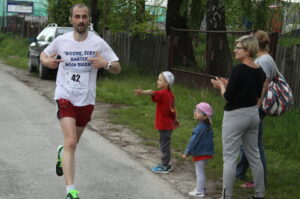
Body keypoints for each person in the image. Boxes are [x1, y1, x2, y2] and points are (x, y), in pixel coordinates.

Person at [40, 3, 121, 199]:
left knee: (72, 142)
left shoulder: (98, 43)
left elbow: (117, 67)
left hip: (86, 99)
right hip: (65, 95)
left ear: (89, 20)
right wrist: (46, 62)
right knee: (71, 142)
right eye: (77, 16)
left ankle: (62, 154)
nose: (81, 20)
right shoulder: (62, 40)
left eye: (84, 17)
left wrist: (106, 64)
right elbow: (44, 54)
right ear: (71, 20)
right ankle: (71, 191)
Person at [211, 35, 266, 199]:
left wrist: (221, 85)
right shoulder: (260, 71)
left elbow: (228, 97)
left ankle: (226, 196)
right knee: (254, 156)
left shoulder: (238, 69)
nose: (235, 50)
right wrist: (228, 84)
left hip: (235, 116)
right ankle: (259, 194)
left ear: (248, 51)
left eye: (238, 47)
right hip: (252, 115)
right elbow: (253, 94)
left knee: (229, 157)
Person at [236, 30, 277, 188]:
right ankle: (240, 171)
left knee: (255, 143)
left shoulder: (264, 60)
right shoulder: (264, 58)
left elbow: (263, 85)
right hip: (257, 105)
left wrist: (256, 106)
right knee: (248, 141)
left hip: (258, 105)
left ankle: (260, 181)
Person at [134, 71, 178, 174]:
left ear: (166, 83)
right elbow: (173, 108)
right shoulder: (170, 94)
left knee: (164, 145)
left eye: (160, 79)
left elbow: (152, 92)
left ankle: (165, 166)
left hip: (164, 125)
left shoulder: (163, 93)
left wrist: (142, 92)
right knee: (165, 144)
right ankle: (165, 163)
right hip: (168, 124)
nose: (157, 81)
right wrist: (175, 119)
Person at [182, 102, 214, 198]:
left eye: (198, 111)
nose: (195, 113)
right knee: (200, 171)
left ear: (205, 116)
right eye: (195, 110)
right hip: (205, 152)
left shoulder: (200, 127)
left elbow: (193, 140)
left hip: (201, 153)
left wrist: (186, 152)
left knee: (199, 173)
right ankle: (202, 188)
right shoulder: (206, 126)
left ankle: (200, 191)